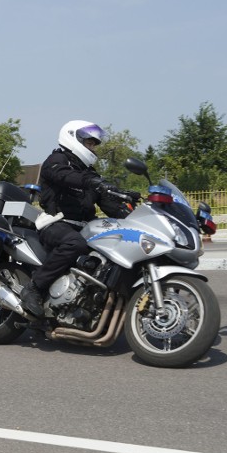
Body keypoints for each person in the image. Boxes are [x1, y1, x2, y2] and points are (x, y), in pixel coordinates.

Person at [20, 120, 133, 317]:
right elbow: (65, 177)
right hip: (56, 224)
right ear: (73, 138)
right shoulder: (56, 161)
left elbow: (109, 206)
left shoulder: (90, 173)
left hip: (85, 228)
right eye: (89, 143)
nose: (92, 148)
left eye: (93, 144)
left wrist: (131, 212)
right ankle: (34, 288)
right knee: (74, 243)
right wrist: (95, 182)